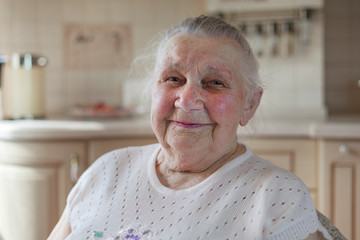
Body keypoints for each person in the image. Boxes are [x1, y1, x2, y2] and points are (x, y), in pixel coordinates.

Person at [48, 15, 332, 240]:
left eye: (214, 83)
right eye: (173, 78)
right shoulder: (106, 170)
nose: (187, 100)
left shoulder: (275, 196)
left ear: (249, 105)